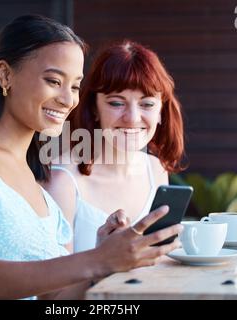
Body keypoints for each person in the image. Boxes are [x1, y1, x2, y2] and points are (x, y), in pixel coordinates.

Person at [0, 16, 182, 300]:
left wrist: (103, 263)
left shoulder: (36, 182)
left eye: (75, 86)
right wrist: (98, 260)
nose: (67, 99)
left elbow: (53, 301)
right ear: (5, 75)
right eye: (53, 81)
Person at [44, 40, 186, 253]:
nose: (132, 118)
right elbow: (53, 282)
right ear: (94, 108)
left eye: (147, 104)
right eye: (116, 103)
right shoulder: (62, 180)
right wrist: (103, 259)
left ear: (161, 112)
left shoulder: (156, 169)